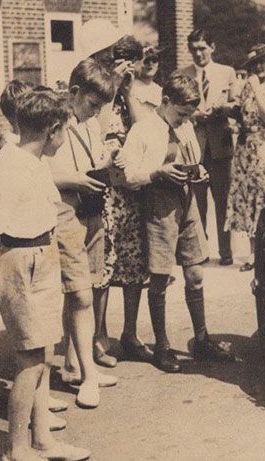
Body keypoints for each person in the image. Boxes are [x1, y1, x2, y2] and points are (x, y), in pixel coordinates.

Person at [0, 89, 90, 461]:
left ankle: (42, 441)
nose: (65, 138)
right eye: (65, 131)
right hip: (20, 262)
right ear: (53, 130)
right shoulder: (12, 166)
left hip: (43, 254)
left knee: (44, 351)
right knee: (30, 360)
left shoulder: (36, 160)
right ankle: (16, 449)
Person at [120, 72, 235, 373]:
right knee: (160, 278)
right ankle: (162, 346)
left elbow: (193, 158)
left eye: (189, 116)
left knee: (195, 273)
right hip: (158, 205)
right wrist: (157, 173)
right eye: (181, 114)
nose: (185, 120)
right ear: (166, 101)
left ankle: (202, 339)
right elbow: (128, 176)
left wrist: (200, 171)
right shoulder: (143, 130)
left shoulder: (185, 127)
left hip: (187, 201)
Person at [47, 58, 118, 408]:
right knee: (80, 295)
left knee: (84, 289)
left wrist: (108, 159)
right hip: (67, 213)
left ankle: (74, 364)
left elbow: (95, 155)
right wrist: (74, 180)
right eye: (92, 104)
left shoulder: (90, 123)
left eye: (101, 107)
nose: (96, 112)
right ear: (74, 92)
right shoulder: (53, 123)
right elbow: (41, 172)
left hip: (92, 210)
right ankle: (88, 376)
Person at [91, 36, 154, 367]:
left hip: (131, 192)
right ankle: (98, 336)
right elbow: (98, 134)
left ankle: (130, 333)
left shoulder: (135, 96)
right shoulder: (98, 96)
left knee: (134, 265)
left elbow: (146, 132)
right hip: (104, 192)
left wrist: (127, 91)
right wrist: (113, 87)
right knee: (103, 264)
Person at [225, 44, 265, 272]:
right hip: (245, 151)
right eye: (254, 64)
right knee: (247, 202)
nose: (258, 67)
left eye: (262, 62)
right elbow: (242, 115)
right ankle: (253, 255)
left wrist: (256, 90)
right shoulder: (247, 87)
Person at [179, 29, 237, 266]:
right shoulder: (182, 75)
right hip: (194, 146)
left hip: (220, 146)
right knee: (196, 202)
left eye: (202, 48)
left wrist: (222, 109)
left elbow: (236, 103)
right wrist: (193, 114)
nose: (198, 53)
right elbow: (176, 107)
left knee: (223, 201)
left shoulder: (227, 72)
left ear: (213, 47)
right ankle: (200, 252)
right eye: (193, 49)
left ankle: (226, 251)